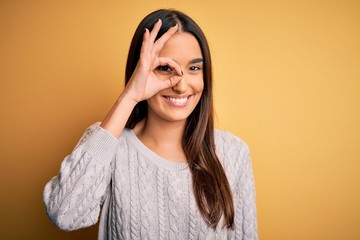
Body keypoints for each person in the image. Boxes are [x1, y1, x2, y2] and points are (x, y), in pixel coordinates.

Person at [43, 9, 258, 240]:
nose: (181, 86)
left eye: (194, 68)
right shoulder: (108, 143)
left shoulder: (233, 153)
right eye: (165, 68)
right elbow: (64, 214)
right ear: (140, 71)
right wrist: (129, 96)